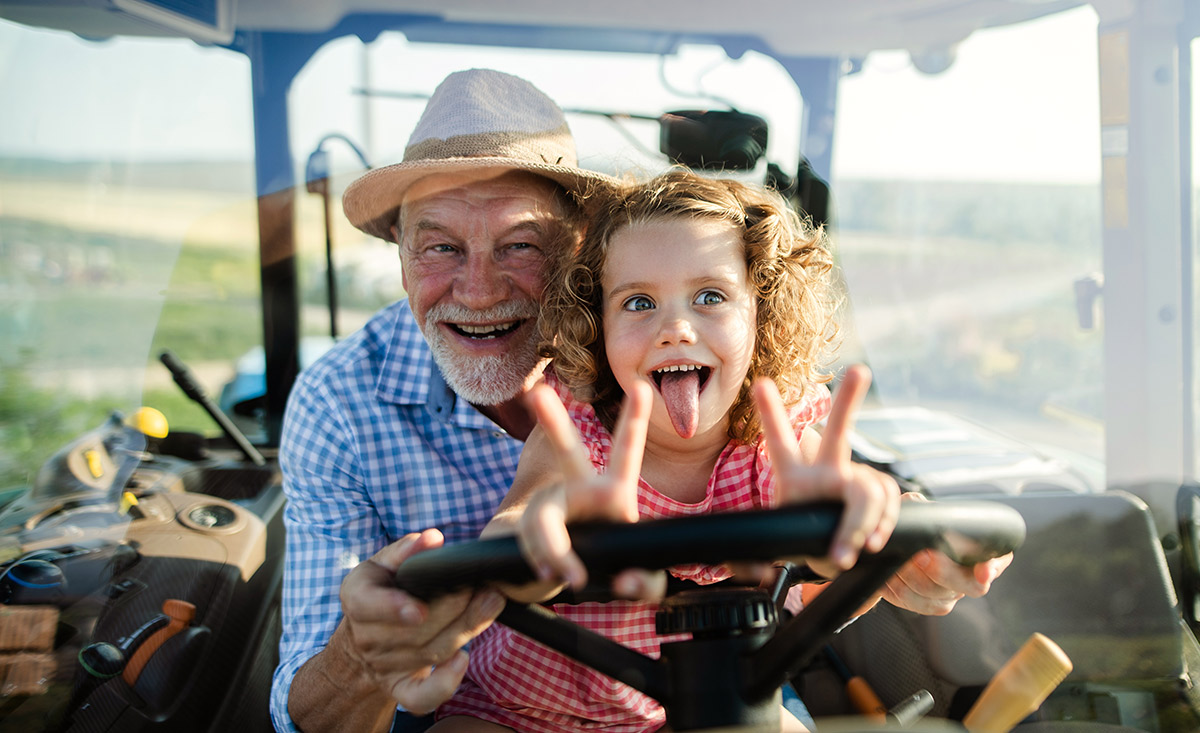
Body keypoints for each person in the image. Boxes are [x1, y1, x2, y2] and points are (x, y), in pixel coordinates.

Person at [271, 68, 1013, 733]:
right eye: (438, 246)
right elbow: (527, 515)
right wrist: (551, 540)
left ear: (578, 258)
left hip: (699, 699)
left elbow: (834, 489)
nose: (479, 288)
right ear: (398, 251)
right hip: (506, 707)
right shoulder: (361, 404)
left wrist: (853, 518)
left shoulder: (761, 421)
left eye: (520, 245)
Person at [430, 170, 898, 732]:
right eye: (638, 303)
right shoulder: (578, 435)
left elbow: (829, 550)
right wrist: (545, 535)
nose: (675, 327)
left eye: (710, 297)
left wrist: (837, 519)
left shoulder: (776, 440)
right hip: (519, 711)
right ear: (596, 323)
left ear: (761, 312)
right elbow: (515, 532)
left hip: (686, 712)